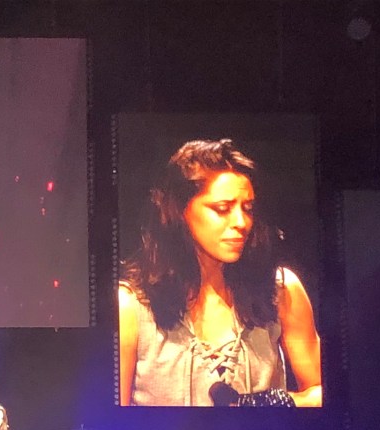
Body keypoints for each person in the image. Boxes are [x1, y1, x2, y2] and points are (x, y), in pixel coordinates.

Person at [118, 138, 322, 407]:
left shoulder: (281, 290)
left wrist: (275, 403)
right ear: (180, 211)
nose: (241, 222)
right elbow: (109, 420)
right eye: (222, 209)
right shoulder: (130, 307)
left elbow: (322, 391)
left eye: (247, 209)